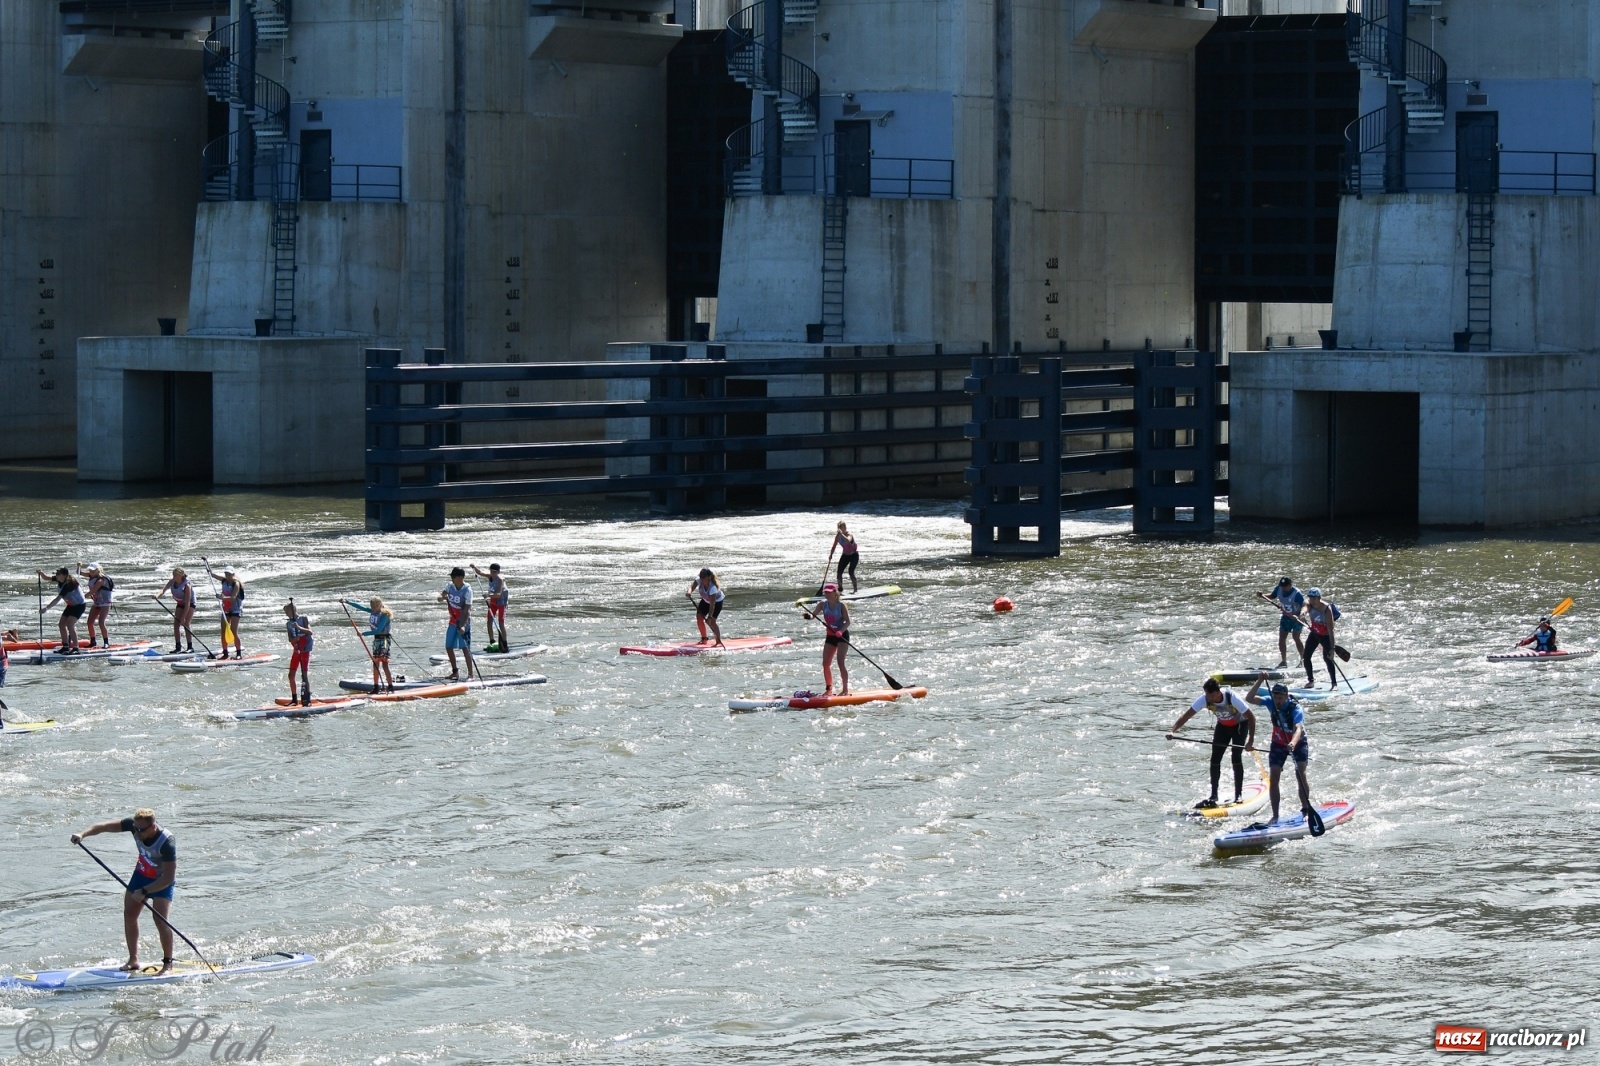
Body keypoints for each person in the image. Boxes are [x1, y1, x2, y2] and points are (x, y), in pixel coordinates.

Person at [70, 808, 178, 974]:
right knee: (129, 915)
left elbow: (169, 878)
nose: (137, 832)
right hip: (141, 876)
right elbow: (105, 826)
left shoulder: (167, 842)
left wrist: (144, 890)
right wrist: (83, 834)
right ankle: (133, 959)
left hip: (161, 882)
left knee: (160, 920)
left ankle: (168, 963)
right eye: (136, 828)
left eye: (141, 830)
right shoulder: (134, 826)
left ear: (153, 827)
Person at [1167, 677, 1257, 808]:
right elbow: (1186, 716)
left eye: (1212, 695)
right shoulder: (1204, 699)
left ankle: (1238, 794)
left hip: (1239, 726)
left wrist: (1251, 740)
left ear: (1218, 691)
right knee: (1215, 759)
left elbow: (1252, 717)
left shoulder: (1232, 697)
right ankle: (1214, 794)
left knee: (1236, 757)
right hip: (1223, 726)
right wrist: (1172, 731)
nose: (1209, 699)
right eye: (1208, 695)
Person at [1246, 673, 1313, 826]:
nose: (1277, 701)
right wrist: (1260, 680)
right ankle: (1275, 816)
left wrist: (1293, 743)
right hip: (1278, 743)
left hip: (1298, 743)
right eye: (1275, 698)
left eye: (1280, 698)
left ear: (1287, 696)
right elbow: (1249, 698)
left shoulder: (1296, 709)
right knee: (1274, 776)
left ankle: (1306, 810)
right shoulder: (1270, 702)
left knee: (1300, 773)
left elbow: (1298, 729)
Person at [804, 583, 851, 695]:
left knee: (840, 662)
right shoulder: (822, 605)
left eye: (829, 592)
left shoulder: (841, 605)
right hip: (830, 636)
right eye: (825, 592)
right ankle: (829, 690)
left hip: (842, 636)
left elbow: (848, 622)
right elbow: (813, 616)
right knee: (825, 664)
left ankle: (845, 690)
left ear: (835, 593)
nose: (826, 594)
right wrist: (807, 616)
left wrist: (840, 631)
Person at [345, 596, 395, 691]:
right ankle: (376, 687)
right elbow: (360, 607)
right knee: (375, 664)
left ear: (379, 605)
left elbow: (378, 630)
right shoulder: (373, 611)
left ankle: (390, 686)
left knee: (384, 664)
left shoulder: (384, 615)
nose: (372, 608)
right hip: (376, 640)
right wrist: (347, 602)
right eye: (371, 606)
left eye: (374, 606)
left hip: (384, 640)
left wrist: (363, 634)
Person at [1256, 576, 1305, 669]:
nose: (1283, 588)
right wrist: (1263, 595)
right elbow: (1272, 596)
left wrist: (1300, 616)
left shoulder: (1297, 594)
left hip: (1296, 617)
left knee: (1296, 637)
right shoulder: (1278, 589)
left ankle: (1303, 660)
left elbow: (1304, 606)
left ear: (1290, 585)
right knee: (1282, 638)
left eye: (1285, 586)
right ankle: (1283, 662)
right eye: (1282, 586)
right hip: (1286, 617)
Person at [439, 568, 477, 681]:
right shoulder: (450, 586)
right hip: (452, 621)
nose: (452, 578)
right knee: (448, 646)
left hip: (463, 621)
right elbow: (443, 594)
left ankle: (471, 675)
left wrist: (463, 625)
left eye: (453, 576)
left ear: (460, 577)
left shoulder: (467, 590)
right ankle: (455, 672)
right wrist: (442, 597)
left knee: (465, 648)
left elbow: (467, 610)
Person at [38, 567, 87, 653]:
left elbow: (57, 599)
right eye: (56, 574)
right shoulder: (59, 579)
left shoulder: (68, 584)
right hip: (71, 605)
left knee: (70, 624)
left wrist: (46, 608)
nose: (56, 575)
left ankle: (76, 648)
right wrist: (41, 573)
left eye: (58, 574)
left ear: (64, 575)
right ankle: (65, 646)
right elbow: (46, 578)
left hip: (79, 606)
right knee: (61, 625)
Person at [1300, 587, 1339, 689]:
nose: (1312, 600)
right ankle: (1311, 681)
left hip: (1326, 636)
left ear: (1319, 598)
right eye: (1311, 597)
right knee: (1306, 656)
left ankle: (1334, 683)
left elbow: (1331, 631)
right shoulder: (1308, 603)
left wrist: (1332, 648)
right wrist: (1302, 614)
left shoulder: (1327, 609)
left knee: (1328, 659)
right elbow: (1305, 608)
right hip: (1314, 634)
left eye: (1315, 598)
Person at [206, 564, 246, 660]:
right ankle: (225, 653)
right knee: (223, 631)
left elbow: (232, 598)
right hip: (226, 609)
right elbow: (212, 575)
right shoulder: (224, 580)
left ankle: (238, 653)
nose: (228, 576)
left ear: (233, 575)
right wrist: (207, 564)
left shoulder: (236, 584)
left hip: (236, 609)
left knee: (233, 631)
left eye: (229, 574)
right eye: (226, 574)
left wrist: (222, 597)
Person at [157, 567, 198, 654]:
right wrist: (157, 596)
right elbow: (163, 590)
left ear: (181, 576)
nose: (174, 577)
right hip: (180, 603)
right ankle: (178, 647)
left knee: (186, 623)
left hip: (189, 604)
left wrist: (183, 617)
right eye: (173, 575)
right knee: (176, 624)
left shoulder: (187, 585)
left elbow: (187, 603)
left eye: (175, 575)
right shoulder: (172, 581)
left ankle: (190, 647)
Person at [471, 563, 510, 652]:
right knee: (489, 622)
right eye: (491, 571)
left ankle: (504, 644)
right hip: (493, 603)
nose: (492, 573)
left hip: (501, 603)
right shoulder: (490, 576)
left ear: (498, 572)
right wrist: (474, 567)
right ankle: (492, 641)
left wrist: (488, 595)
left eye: (494, 572)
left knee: (501, 623)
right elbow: (480, 572)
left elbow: (498, 594)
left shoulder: (500, 580)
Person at [282, 601, 313, 704]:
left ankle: (307, 698)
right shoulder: (288, 624)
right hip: (297, 650)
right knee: (291, 675)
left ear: (293, 610)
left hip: (305, 649)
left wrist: (299, 628)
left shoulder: (303, 619)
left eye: (287, 612)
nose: (286, 614)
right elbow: (290, 639)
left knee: (304, 675)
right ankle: (294, 699)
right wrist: (296, 638)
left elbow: (310, 632)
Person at [78, 562, 114, 649]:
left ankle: (106, 642)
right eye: (90, 570)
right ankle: (93, 641)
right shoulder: (91, 575)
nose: (91, 572)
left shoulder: (101, 580)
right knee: (90, 622)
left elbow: (92, 591)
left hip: (105, 603)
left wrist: (80, 598)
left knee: (101, 622)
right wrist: (78, 566)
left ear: (98, 571)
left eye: (93, 571)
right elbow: (79, 572)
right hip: (97, 602)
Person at [686, 568, 725, 647]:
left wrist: (710, 617)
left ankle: (718, 642)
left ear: (709, 577)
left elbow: (712, 604)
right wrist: (689, 592)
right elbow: (692, 587)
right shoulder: (699, 579)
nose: (702, 579)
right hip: (705, 601)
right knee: (699, 617)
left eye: (703, 577)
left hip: (716, 603)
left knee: (712, 622)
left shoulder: (713, 588)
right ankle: (704, 639)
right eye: (701, 577)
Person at [833, 522, 860, 594]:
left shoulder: (849, 535)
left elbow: (848, 541)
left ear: (845, 528)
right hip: (845, 555)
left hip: (854, 555)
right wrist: (830, 555)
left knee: (851, 572)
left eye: (841, 527)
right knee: (839, 573)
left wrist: (841, 534)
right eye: (838, 527)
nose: (839, 529)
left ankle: (855, 590)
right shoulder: (837, 537)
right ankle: (840, 590)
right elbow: (834, 546)